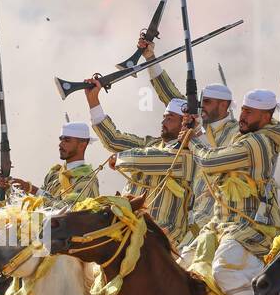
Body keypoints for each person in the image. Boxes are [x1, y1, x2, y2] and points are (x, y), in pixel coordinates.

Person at [187, 89, 280, 295]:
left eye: (249, 112)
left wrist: (193, 140)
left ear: (266, 116)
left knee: (225, 271)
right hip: (220, 224)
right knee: (182, 263)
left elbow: (210, 162)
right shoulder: (244, 137)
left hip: (251, 226)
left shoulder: (257, 143)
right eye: (242, 109)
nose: (242, 115)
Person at [83, 79, 196, 241]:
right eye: (164, 117)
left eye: (170, 118)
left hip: (163, 235)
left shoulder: (190, 153)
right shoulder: (150, 144)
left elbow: (157, 160)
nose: (163, 122)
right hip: (127, 225)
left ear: (184, 122)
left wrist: (121, 158)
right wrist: (93, 101)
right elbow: (113, 140)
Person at [0, 121, 98, 208]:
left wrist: (32, 189)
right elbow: (40, 205)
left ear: (82, 145)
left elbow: (70, 210)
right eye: (61, 139)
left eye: (67, 140)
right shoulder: (55, 173)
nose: (60, 144)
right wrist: (11, 188)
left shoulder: (87, 179)